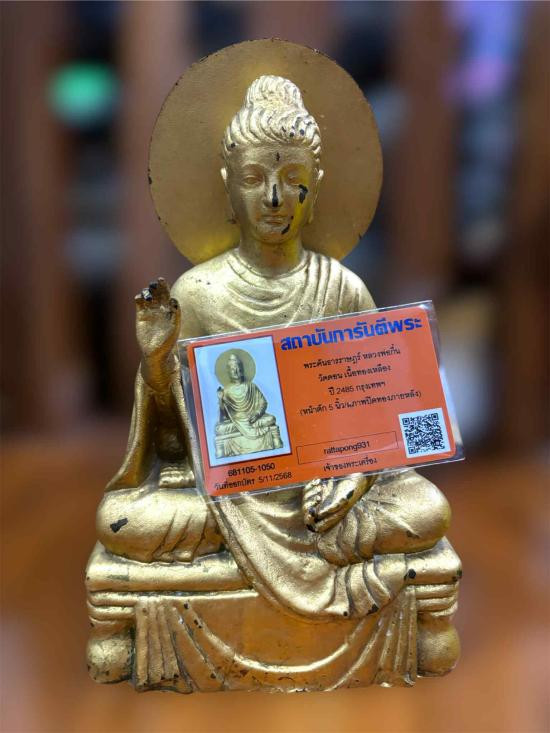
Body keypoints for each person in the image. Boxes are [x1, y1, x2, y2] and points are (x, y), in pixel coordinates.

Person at [90, 73, 460, 690]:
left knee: (426, 510)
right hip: (227, 499)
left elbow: (388, 422)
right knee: (123, 520)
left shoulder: (342, 289)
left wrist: (351, 482)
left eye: (293, 179)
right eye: (254, 178)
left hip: (325, 500)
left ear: (316, 189)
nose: (273, 198)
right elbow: (173, 447)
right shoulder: (196, 294)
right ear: (227, 185)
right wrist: (157, 364)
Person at [214, 351, 282, 458]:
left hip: (253, 419)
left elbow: (263, 402)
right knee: (219, 429)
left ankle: (274, 442)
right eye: (232, 369)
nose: (236, 371)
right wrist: (220, 400)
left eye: (238, 368)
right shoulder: (226, 391)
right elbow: (223, 417)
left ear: (242, 369)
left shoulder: (251, 386)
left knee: (271, 419)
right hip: (237, 421)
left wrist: (257, 414)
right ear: (228, 372)